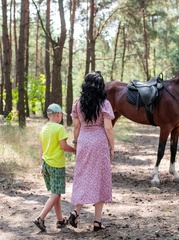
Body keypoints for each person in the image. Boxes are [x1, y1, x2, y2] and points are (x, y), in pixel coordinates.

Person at [68, 71, 114, 231]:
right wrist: (112, 147)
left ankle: (76, 211)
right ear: (100, 86)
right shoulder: (104, 104)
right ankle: (97, 222)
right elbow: (108, 128)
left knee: (82, 176)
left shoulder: (77, 103)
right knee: (100, 179)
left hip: (83, 141)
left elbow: (76, 126)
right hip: (99, 142)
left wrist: (76, 142)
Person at [33, 103, 76, 232]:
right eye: (61, 115)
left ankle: (60, 220)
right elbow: (63, 146)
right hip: (56, 165)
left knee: (55, 193)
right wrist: (76, 151)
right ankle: (40, 218)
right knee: (56, 193)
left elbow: (41, 149)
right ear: (58, 115)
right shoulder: (59, 128)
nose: (61, 117)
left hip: (46, 164)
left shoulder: (44, 129)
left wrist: (41, 164)